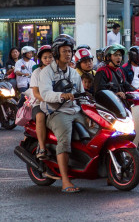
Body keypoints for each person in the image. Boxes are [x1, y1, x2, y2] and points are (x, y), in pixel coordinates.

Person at [37, 35, 86, 193]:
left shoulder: (73, 73)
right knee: (64, 140)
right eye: (64, 51)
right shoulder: (47, 73)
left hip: (75, 110)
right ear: (56, 53)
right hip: (57, 112)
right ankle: (65, 181)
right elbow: (45, 94)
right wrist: (61, 96)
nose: (68, 54)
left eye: (70, 51)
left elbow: (82, 93)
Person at [27, 45, 53, 160]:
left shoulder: (57, 71)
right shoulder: (36, 72)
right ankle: (42, 148)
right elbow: (36, 93)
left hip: (56, 102)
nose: (48, 60)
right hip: (39, 103)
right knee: (40, 116)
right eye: (45, 58)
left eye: (50, 57)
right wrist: (47, 99)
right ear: (41, 59)